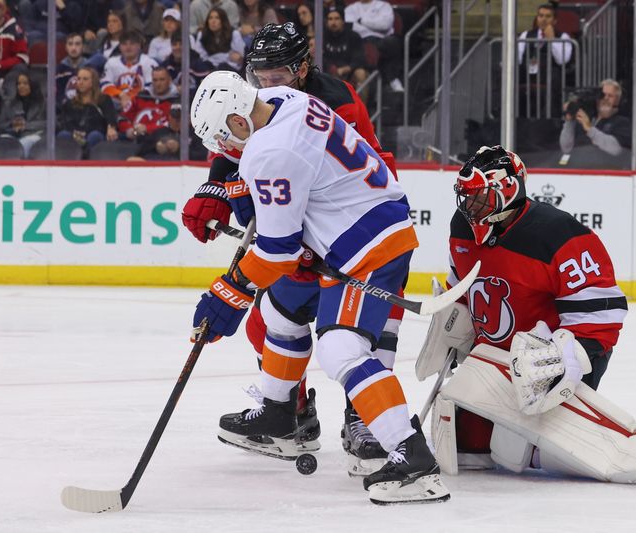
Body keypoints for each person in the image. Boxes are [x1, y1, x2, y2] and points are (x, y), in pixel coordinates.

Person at [188, 71, 449, 505]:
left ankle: (413, 458)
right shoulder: (279, 97)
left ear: (238, 121)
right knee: (281, 308)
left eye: (224, 142)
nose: (226, 153)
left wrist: (227, 293)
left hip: (368, 244)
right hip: (355, 222)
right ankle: (278, 416)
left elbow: (276, 252)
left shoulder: (270, 152)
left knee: (341, 349)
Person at [181, 22, 400, 477]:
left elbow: (368, 166)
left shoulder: (334, 100)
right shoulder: (270, 100)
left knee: (354, 336)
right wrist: (216, 186)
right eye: (257, 75)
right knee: (270, 323)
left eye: (275, 74)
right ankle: (291, 414)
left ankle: (367, 418)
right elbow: (239, 139)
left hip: (343, 236)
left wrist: (276, 246)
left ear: (303, 67)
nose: (265, 84)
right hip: (298, 233)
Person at [421, 144, 636, 484]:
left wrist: (565, 359)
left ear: (507, 190)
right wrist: (454, 330)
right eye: (466, 197)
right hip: (494, 360)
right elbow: (463, 288)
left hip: (550, 361)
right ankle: (537, 441)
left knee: (514, 449)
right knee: (466, 447)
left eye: (478, 197)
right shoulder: (463, 228)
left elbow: (602, 312)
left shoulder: (557, 234)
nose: (469, 207)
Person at [559, 78, 631, 169]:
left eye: (610, 96)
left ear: (618, 100)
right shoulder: (586, 118)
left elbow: (616, 149)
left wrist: (590, 129)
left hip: (605, 175)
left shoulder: (622, 122)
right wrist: (569, 121)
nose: (605, 98)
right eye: (602, 95)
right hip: (577, 172)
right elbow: (566, 148)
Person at [517, 2, 573, 117]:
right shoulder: (525, 35)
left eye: (548, 16)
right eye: (540, 16)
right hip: (528, 80)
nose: (543, 19)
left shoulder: (563, 37)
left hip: (551, 85)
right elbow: (517, 59)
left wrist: (551, 39)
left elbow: (562, 60)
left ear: (555, 20)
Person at [344, 0, 403, 92]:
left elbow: (384, 25)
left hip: (381, 40)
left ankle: (392, 79)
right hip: (359, 40)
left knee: (392, 42)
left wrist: (361, 21)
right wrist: (373, 27)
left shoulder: (384, 6)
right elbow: (350, 26)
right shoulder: (350, 9)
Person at [57, 66, 119, 151]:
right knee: (63, 135)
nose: (81, 82)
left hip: (95, 135)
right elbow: (64, 123)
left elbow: (111, 117)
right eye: (79, 79)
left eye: (85, 79)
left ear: (93, 82)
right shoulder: (70, 103)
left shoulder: (103, 99)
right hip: (74, 136)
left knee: (94, 136)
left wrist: (111, 128)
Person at [100, 30, 159, 112]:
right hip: (117, 103)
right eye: (124, 44)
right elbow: (104, 85)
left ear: (139, 46)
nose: (128, 47)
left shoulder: (149, 62)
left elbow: (152, 86)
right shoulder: (111, 62)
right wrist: (121, 94)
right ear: (120, 47)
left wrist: (132, 98)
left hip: (141, 103)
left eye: (132, 44)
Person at [118, 66, 179, 141]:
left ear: (169, 81)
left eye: (162, 80)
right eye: (155, 80)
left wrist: (147, 128)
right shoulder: (141, 96)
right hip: (134, 139)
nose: (158, 84)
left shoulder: (177, 101)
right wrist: (129, 130)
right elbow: (123, 118)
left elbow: (173, 125)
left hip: (162, 140)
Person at [129, 103, 206, 161]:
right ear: (169, 117)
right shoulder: (160, 132)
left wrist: (178, 149)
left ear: (188, 118)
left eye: (180, 117)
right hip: (159, 167)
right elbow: (140, 152)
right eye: (174, 117)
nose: (177, 121)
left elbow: (202, 157)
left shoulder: (195, 135)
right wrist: (155, 146)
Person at [0, 0, 29, 100]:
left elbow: (23, 57)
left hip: (9, 69)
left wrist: (0, 65)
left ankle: (12, 107)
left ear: (4, 10)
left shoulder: (15, 29)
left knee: (19, 70)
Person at [0, 72, 43, 157]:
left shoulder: (43, 103)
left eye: (25, 83)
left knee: (24, 143)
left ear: (32, 85)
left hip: (34, 135)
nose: (21, 86)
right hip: (13, 135)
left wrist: (25, 125)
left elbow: (50, 123)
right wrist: (12, 123)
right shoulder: (9, 104)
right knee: (4, 140)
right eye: (19, 84)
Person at [323, 6, 367, 91]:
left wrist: (345, 69)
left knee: (360, 73)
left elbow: (359, 59)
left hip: (350, 71)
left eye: (337, 18)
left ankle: (360, 104)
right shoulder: (322, 37)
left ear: (343, 21)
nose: (333, 22)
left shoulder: (353, 36)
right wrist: (331, 69)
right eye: (330, 19)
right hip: (328, 72)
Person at [55, 32, 87, 106]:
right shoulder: (59, 69)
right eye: (70, 44)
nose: (73, 48)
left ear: (83, 47)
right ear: (66, 47)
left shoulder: (90, 67)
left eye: (77, 44)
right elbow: (57, 94)